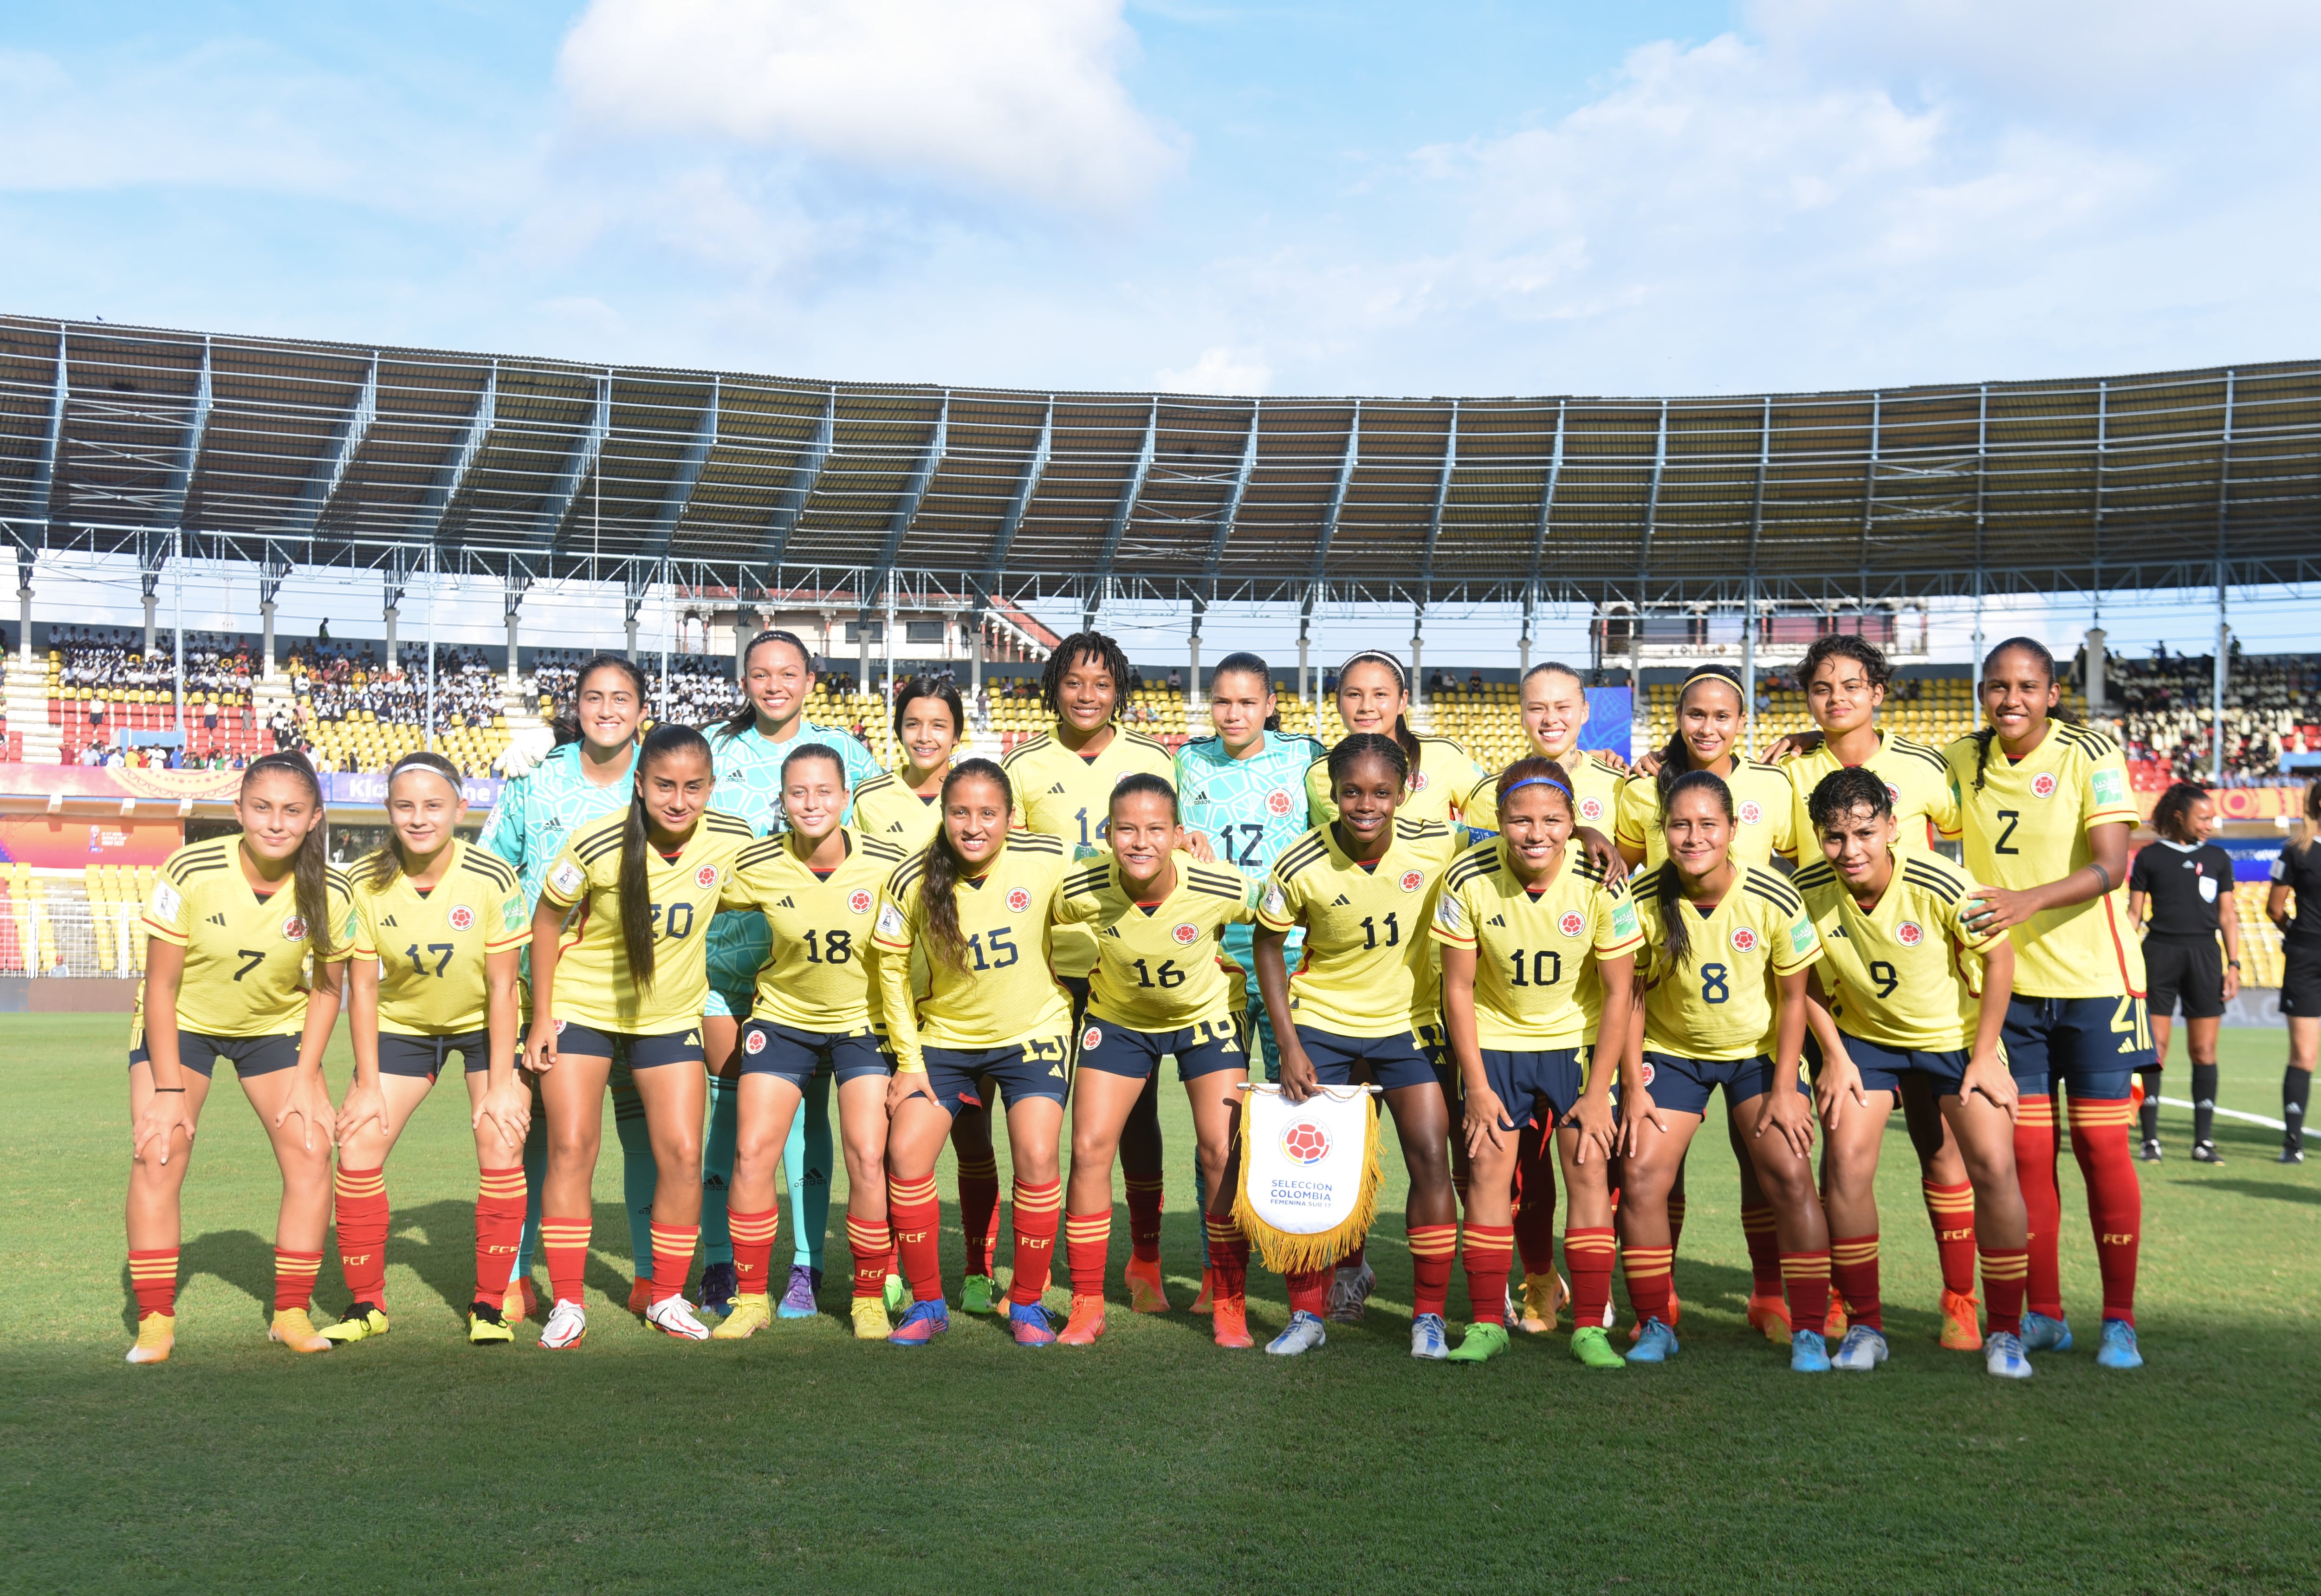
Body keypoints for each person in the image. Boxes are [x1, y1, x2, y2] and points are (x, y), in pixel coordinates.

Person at [1763, 635, 1985, 1349]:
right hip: (1847, 996)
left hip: (1932, 994)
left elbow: (1965, 840)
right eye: (1822, 689)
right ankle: (1843, 1297)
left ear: (1879, 691)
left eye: (1852, 685)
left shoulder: (1924, 766)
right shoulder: (1790, 772)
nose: (1837, 699)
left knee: (1941, 1148)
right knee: (1842, 1155)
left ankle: (1960, 1299)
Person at [1943, 636, 2150, 1370]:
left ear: (2052, 692)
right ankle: (2047, 1313)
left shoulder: (2090, 753)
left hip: (2095, 987)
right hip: (2009, 994)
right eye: (1996, 686)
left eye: (2026, 686)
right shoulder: (1962, 758)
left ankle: (2119, 1320)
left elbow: (2113, 863)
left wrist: (2026, 900)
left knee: (2100, 1148)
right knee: (2027, 1156)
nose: (2010, 700)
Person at [1793, 768, 2036, 1379]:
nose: (1850, 849)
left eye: (1865, 833)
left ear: (1892, 828)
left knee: (1994, 1166)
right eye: (1834, 836)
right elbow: (1801, 977)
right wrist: (1837, 1056)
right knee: (1844, 1161)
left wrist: (1984, 1056)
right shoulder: (1806, 889)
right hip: (1867, 1043)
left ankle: (2006, 1332)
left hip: (1956, 1041)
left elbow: (2000, 958)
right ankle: (1866, 1326)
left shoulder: (1941, 882)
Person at [524, 725, 757, 1348]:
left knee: (682, 1153)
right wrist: (542, 1016)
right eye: (664, 786)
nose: (678, 800)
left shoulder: (733, 839)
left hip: (668, 1015)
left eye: (692, 786)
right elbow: (546, 924)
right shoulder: (596, 841)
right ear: (640, 784)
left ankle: (666, 1299)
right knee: (573, 1145)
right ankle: (568, 1302)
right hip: (585, 1005)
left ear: (711, 787)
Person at [122, 752, 357, 1363]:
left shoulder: (333, 888)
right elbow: (163, 987)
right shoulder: (191, 869)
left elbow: (330, 988)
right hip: (183, 1026)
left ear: (314, 818)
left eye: (291, 810)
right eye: (261, 808)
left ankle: (291, 1311)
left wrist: (307, 1077)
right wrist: (168, 1091)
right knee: (159, 1148)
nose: (275, 822)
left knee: (312, 1147)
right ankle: (154, 1321)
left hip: (273, 1030)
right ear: (238, 811)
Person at [1617, 769, 1835, 1372]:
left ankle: (1810, 1330)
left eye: (1707, 824)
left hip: (1756, 1057)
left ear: (1733, 829)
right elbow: (1630, 998)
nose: (1693, 837)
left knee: (1790, 1175)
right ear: (1663, 831)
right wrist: (1633, 1086)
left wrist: (1789, 1086)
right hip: (1671, 1055)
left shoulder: (1773, 893)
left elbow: (1795, 996)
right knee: (1639, 1175)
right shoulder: (1639, 901)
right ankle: (1656, 1320)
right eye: (1680, 825)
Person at [1253, 733, 1463, 1358]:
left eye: (1379, 792)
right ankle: (1306, 1314)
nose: (1365, 804)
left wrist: (1590, 834)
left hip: (1410, 1023)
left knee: (1429, 1153)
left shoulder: (1439, 841)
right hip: (1322, 1023)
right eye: (1351, 791)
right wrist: (1288, 1042)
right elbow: (1268, 945)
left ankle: (1427, 1315)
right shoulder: (1297, 862)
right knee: (1309, 1166)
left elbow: (1514, 836)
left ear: (1402, 793)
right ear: (1334, 793)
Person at [699, 630, 887, 1320]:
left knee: (821, 1131)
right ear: (743, 679)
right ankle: (724, 1262)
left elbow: (890, 842)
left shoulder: (849, 752)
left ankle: (809, 1265)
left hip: (834, 976)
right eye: (759, 673)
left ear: (810, 678)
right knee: (736, 1126)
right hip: (730, 966)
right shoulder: (715, 749)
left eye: (787, 673)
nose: (773, 684)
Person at [1433, 757, 1640, 1366]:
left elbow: (1621, 991)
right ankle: (1485, 1323)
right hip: (1496, 1042)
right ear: (1497, 820)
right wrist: (1476, 1084)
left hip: (1576, 1042)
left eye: (1553, 819)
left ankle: (1590, 1327)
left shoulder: (1602, 878)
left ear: (1575, 822)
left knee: (1587, 1173)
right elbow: (1458, 989)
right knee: (1491, 1175)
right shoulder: (1466, 876)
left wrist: (1601, 1089)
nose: (1536, 832)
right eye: (1520, 819)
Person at [326, 753, 532, 1346]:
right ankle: (366, 1305)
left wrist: (501, 1080)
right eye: (406, 806)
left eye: (434, 805)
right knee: (359, 1140)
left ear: (460, 811)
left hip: (479, 1027)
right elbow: (361, 988)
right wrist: (365, 1082)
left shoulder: (491, 877)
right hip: (402, 1029)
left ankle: (490, 1305)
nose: (419, 818)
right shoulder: (363, 881)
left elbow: (501, 987)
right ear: (389, 811)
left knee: (500, 1133)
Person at [1617, 663, 1798, 1341]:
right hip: (1672, 1005)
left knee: (1765, 1163)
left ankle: (1771, 1296)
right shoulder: (1639, 786)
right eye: (1697, 713)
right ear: (1680, 715)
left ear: (1743, 722)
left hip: (1758, 1000)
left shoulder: (1778, 783)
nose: (1709, 726)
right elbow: (1620, 869)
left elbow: (1805, 869)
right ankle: (1657, 1305)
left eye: (1723, 715)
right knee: (1659, 1166)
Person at [1000, 632, 1180, 1312]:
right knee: (1041, 1123)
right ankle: (1038, 1266)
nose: (1086, 695)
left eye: (1102, 684)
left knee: (1133, 1123)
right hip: (1048, 971)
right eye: (1074, 681)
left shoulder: (1154, 758)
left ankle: (1146, 1258)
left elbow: (1170, 850)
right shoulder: (1023, 763)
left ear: (1120, 691)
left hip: (1127, 967)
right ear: (1054, 685)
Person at [1054, 774, 1263, 1348]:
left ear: (1177, 834)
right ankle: (1086, 1304)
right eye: (1126, 829)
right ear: (1107, 833)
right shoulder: (1083, 887)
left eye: (1154, 829)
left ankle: (1228, 1303)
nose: (1139, 842)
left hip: (1206, 1020)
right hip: (1119, 1020)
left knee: (1221, 1149)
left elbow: (1279, 917)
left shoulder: (1218, 884)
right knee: (1089, 1147)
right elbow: (1028, 922)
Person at [475, 653, 654, 1323]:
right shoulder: (537, 777)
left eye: (621, 698)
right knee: (540, 1132)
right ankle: (518, 1273)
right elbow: (495, 866)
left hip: (639, 987)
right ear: (575, 705)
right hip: (542, 987)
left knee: (643, 1135)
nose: (607, 709)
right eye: (593, 697)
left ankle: (645, 1275)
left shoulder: (659, 777)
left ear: (643, 709)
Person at [873, 760, 1076, 1347]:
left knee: (1036, 1155)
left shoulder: (1046, 856)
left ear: (1010, 818)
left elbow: (1119, 870)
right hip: (944, 1042)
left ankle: (1029, 1304)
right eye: (960, 812)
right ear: (943, 814)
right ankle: (927, 1303)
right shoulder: (911, 876)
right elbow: (889, 967)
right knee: (906, 1155)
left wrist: (1187, 851)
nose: (973, 825)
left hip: (1032, 1033)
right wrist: (908, 1060)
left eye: (988, 813)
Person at [850, 676, 1008, 1314]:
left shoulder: (977, 794)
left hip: (960, 999)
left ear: (957, 731)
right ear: (897, 729)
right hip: (888, 996)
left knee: (973, 1137)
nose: (925, 735)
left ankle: (976, 1267)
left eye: (938, 724)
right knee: (896, 1137)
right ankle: (891, 1266)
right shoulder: (866, 799)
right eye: (913, 723)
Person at [1174, 652, 1325, 1307]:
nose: (1233, 714)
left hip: (1293, 958)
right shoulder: (1187, 762)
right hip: (1214, 963)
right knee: (1223, 1132)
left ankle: (1321, 1269)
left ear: (1270, 704)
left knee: (1303, 1116)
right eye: (1222, 701)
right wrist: (1181, 834)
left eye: (1247, 702)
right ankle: (1221, 1268)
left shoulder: (1306, 758)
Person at [2128, 782, 2239, 1163]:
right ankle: (2150, 1140)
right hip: (2159, 955)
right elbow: (2134, 915)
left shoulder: (2220, 858)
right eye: (2203, 817)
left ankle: (2203, 1142)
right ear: (2180, 816)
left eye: (2212, 818)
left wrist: (2234, 964)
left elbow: (2227, 915)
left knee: (2204, 1050)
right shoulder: (2149, 858)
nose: (2210, 824)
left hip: (2205, 957)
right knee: (2155, 1050)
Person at [1304, 650, 1487, 832]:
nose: (1366, 707)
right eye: (1354, 695)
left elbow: (1493, 814)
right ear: (1338, 700)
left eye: (1380, 694)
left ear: (1402, 700)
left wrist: (1458, 843)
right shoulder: (1319, 772)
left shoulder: (1443, 755)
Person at [2264, 778, 2320, 1163]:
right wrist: (2299, 937)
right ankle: (2293, 1143)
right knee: (2303, 1056)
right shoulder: (2296, 851)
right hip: (2306, 960)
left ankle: (2293, 1146)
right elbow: (2275, 908)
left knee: (2303, 1055)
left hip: (2304, 953)